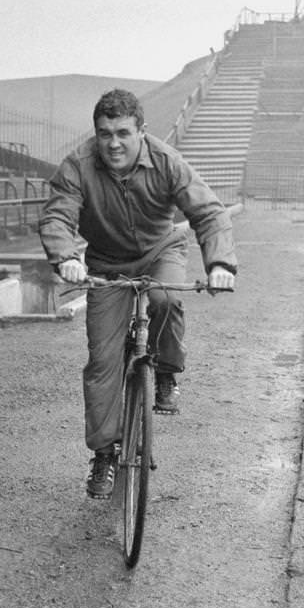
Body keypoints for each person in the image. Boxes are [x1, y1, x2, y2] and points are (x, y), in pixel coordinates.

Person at [39, 88, 238, 499]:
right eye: (104, 133)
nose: (113, 143)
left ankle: (165, 371)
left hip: (159, 249)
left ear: (141, 132)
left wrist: (219, 265)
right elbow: (58, 214)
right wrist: (65, 258)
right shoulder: (78, 165)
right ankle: (105, 454)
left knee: (166, 300)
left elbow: (208, 212)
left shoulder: (166, 160)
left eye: (123, 133)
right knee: (103, 361)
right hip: (107, 262)